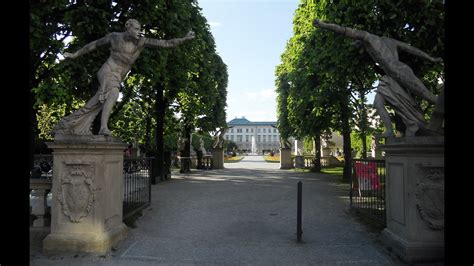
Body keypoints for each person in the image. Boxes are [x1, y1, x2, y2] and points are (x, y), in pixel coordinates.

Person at [53, 19, 195, 136]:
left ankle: (71, 123)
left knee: (97, 102)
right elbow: (93, 45)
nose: (138, 32)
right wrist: (75, 54)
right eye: (136, 29)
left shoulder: (141, 42)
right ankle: (103, 127)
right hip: (107, 70)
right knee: (114, 92)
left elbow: (166, 43)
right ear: (128, 27)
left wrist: (184, 39)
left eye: (139, 29)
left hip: (118, 74)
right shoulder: (114, 37)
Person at [313, 19, 443, 137]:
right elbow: (410, 49)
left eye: (356, 40)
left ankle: (437, 114)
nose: (356, 42)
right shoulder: (387, 41)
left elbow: (343, 30)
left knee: (427, 96)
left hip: (401, 73)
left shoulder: (368, 37)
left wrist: (323, 25)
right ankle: (389, 130)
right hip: (390, 78)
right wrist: (429, 57)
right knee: (378, 103)